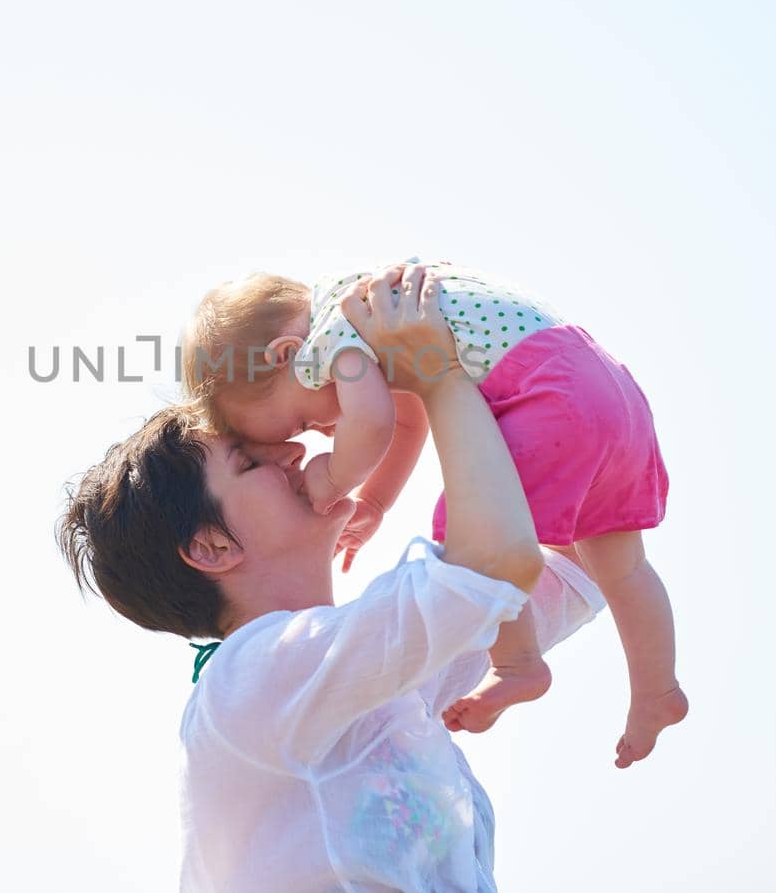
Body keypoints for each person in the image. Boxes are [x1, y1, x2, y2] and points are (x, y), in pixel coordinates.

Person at [58, 265, 604, 891]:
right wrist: (439, 375)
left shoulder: (375, 683)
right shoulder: (253, 680)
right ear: (210, 546)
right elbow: (497, 565)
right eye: (249, 462)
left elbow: (579, 558)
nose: (294, 451)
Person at [180, 257, 685, 761]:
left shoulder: (333, 338)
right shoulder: (369, 309)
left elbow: (375, 424)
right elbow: (409, 418)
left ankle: (516, 664)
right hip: (608, 388)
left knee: (467, 528)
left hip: (551, 397)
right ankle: (657, 690)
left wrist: (333, 477)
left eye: (300, 423)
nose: (319, 435)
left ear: (287, 355)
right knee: (624, 566)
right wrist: (375, 501)